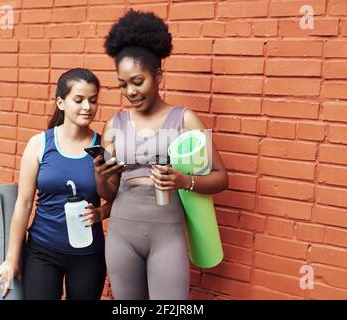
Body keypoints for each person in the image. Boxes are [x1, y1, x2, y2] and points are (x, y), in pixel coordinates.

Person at [94, 10, 229, 300]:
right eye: (122, 84)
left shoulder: (185, 120)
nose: (130, 91)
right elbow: (108, 193)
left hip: (167, 233)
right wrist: (102, 176)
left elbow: (221, 178)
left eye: (137, 81)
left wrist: (183, 180)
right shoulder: (113, 126)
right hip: (121, 232)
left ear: (158, 76)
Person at [0, 68, 109, 300]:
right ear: (61, 102)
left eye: (93, 100)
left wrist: (101, 212)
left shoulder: (102, 147)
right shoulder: (39, 144)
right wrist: (11, 259)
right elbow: (24, 204)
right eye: (78, 100)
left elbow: (123, 198)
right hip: (43, 252)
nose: (87, 107)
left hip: (89, 254)